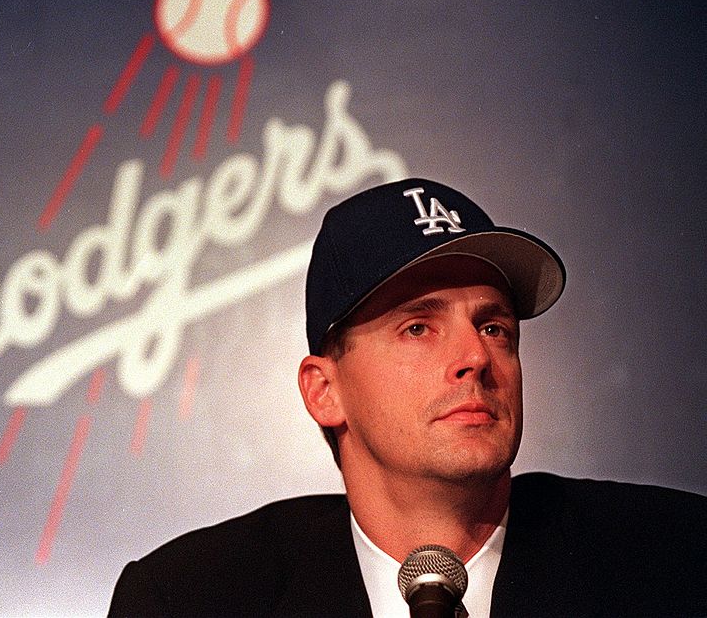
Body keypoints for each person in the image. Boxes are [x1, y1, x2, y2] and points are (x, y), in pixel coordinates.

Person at [108, 178, 707, 617]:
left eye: (494, 327)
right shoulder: (187, 600)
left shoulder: (677, 561)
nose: (476, 356)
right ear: (324, 391)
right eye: (418, 327)